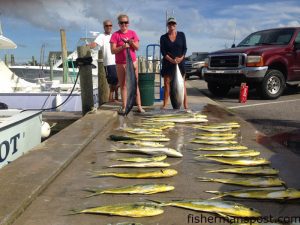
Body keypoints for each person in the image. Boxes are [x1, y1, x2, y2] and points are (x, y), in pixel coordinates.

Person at [110, 14, 144, 113]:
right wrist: (123, 47)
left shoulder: (133, 33)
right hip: (120, 64)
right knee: (123, 85)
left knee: (135, 84)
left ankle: (139, 106)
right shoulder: (115, 35)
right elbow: (113, 51)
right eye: (121, 22)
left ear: (128, 23)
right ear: (119, 24)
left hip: (132, 62)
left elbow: (137, 47)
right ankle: (125, 106)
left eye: (125, 22)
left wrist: (130, 42)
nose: (124, 24)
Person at [160, 16, 188, 110]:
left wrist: (181, 58)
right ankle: (165, 105)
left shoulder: (181, 35)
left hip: (180, 63)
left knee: (182, 85)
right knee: (167, 84)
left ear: (176, 25)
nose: (172, 25)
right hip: (168, 63)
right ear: (167, 25)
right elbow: (163, 52)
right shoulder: (163, 37)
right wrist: (171, 60)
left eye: (173, 23)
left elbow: (185, 49)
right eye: (170, 23)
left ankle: (185, 105)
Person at [90, 19, 119, 102]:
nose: (109, 27)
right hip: (109, 62)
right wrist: (87, 46)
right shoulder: (101, 36)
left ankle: (116, 96)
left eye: (110, 25)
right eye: (107, 26)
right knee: (113, 80)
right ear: (104, 27)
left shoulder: (114, 35)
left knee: (119, 79)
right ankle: (111, 97)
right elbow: (94, 44)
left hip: (117, 61)